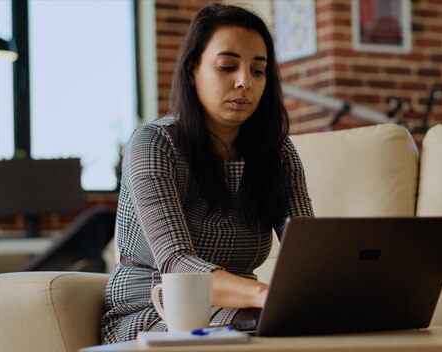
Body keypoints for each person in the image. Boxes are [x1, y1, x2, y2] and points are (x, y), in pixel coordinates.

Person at [100, 3, 314, 344]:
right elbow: (176, 264)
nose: (245, 82)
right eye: (227, 66)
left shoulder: (277, 152)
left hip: (243, 314)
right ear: (192, 71)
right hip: (153, 313)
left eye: (258, 71)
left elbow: (307, 247)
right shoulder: (154, 144)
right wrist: (263, 295)